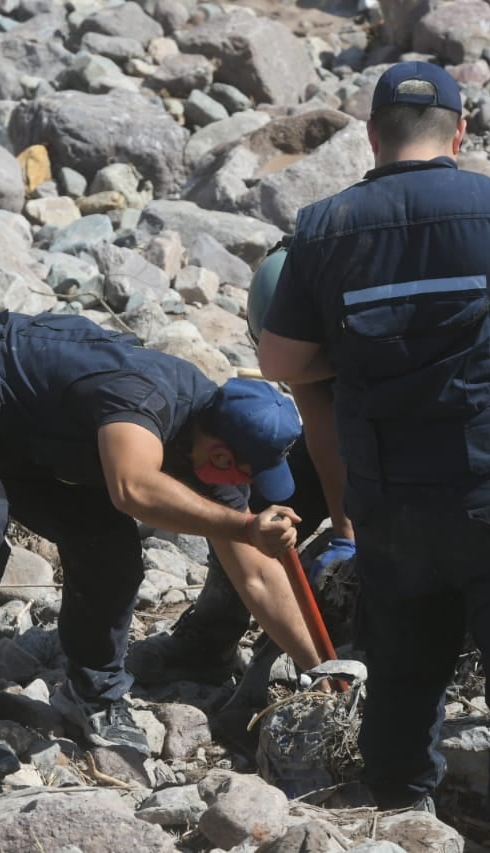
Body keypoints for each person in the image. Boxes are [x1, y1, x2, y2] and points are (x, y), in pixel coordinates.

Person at [256, 62, 490, 853]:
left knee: (407, 671)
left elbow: (280, 360)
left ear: (372, 137)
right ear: (460, 131)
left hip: (395, 501)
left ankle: (401, 821)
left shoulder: (323, 228)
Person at [0, 304, 322, 775]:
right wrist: (246, 527)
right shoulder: (140, 397)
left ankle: (93, 694)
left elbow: (257, 575)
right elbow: (133, 489)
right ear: (219, 452)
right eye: (246, 475)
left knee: (109, 548)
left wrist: (320, 669)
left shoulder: (222, 447)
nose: (243, 490)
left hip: (27, 433)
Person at [127, 257, 354, 686]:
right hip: (351, 442)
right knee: (250, 506)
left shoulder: (381, 346)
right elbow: (326, 438)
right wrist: (345, 533)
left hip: (420, 459)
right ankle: (210, 640)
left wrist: (356, 534)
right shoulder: (301, 332)